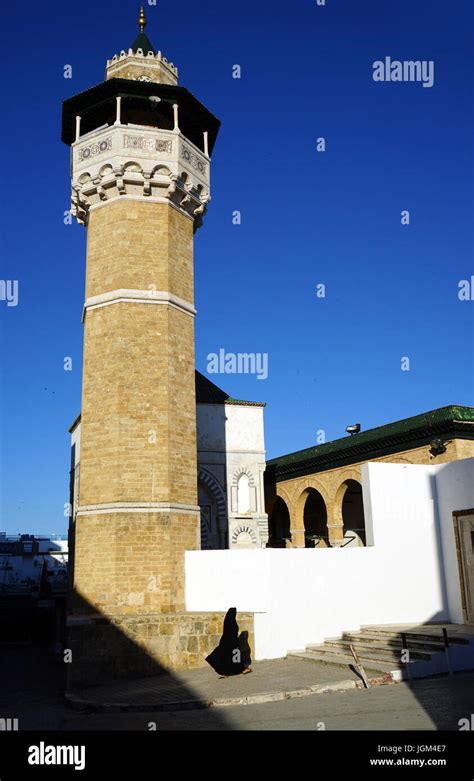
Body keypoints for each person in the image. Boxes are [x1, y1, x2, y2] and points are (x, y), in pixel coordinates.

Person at [205, 607, 252, 677]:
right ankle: (238, 669)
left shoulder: (228, 621)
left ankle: (228, 671)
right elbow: (233, 631)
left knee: (227, 656)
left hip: (228, 640)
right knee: (232, 656)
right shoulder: (231, 623)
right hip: (231, 641)